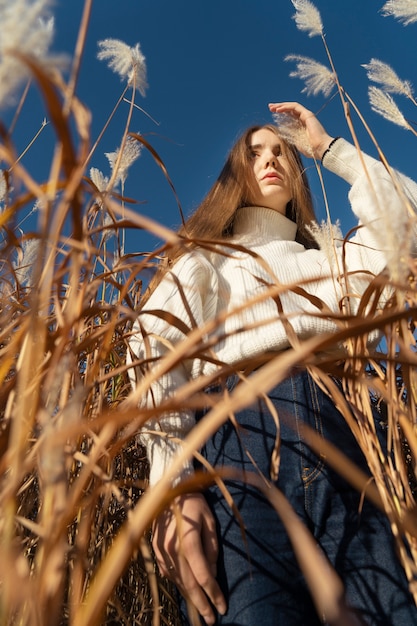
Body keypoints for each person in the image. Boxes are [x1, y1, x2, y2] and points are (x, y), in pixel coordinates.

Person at [128, 102, 417, 625]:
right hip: (238, 442)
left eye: (283, 151)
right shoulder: (209, 256)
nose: (271, 159)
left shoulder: (333, 260)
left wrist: (330, 149)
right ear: (234, 170)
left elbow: (407, 219)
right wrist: (173, 491)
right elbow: (155, 350)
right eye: (255, 151)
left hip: (343, 435)